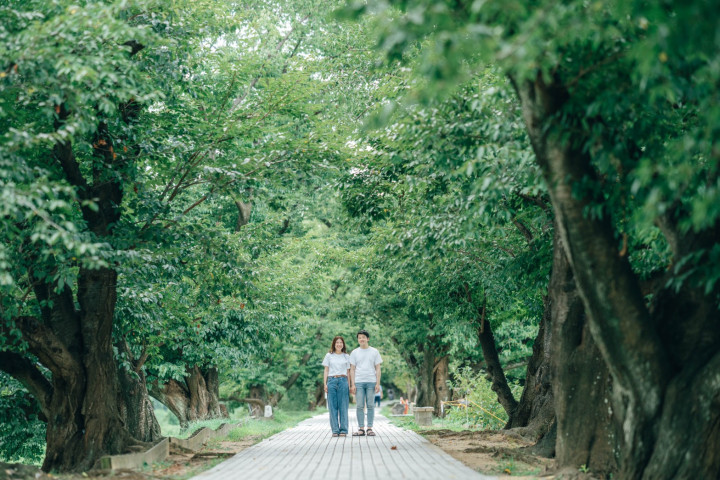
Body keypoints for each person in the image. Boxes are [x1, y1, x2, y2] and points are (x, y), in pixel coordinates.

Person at [349, 329, 382, 437]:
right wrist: (352, 384)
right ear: (358, 340)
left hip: (371, 381)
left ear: (368, 339)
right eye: (359, 338)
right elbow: (352, 369)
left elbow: (378, 368)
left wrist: (378, 383)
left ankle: (369, 428)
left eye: (363, 337)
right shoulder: (354, 352)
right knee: (359, 405)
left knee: (370, 405)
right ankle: (361, 429)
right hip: (358, 382)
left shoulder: (374, 351)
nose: (361, 339)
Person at [323, 336, 350, 437]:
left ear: (343, 344)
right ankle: (335, 430)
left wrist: (350, 385)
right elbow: (326, 370)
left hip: (343, 381)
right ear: (334, 344)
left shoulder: (346, 356)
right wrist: (324, 384)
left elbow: (348, 372)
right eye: (337, 342)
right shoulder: (329, 356)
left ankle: (343, 430)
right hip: (331, 381)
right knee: (332, 407)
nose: (339, 344)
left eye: (341, 343)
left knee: (343, 406)